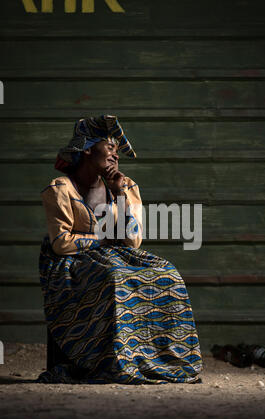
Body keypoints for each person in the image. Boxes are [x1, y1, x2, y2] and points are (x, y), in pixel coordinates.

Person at [37, 115, 203, 384]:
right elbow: (61, 242)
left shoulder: (126, 186)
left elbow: (132, 241)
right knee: (117, 277)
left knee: (168, 273)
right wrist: (102, 240)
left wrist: (121, 196)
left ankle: (156, 360)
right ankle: (109, 361)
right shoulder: (61, 189)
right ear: (87, 148)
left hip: (115, 255)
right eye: (110, 146)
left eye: (117, 149)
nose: (116, 154)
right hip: (70, 263)